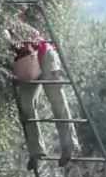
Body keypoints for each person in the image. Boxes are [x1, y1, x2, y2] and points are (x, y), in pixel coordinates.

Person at [8, 11, 80, 168]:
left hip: (44, 56)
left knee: (57, 100)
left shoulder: (14, 25)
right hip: (27, 66)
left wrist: (16, 37)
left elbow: (34, 34)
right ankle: (37, 151)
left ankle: (69, 145)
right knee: (26, 104)